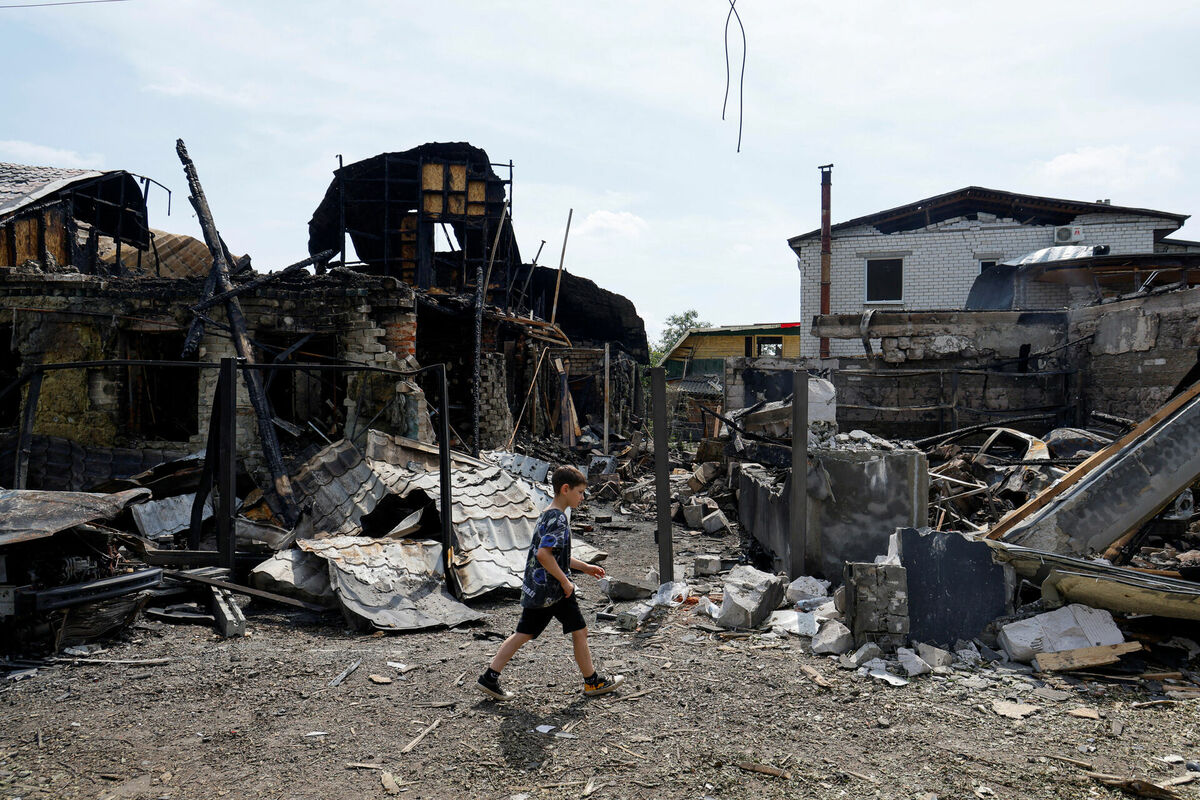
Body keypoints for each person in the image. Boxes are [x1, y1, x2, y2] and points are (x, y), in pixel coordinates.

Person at [477, 465, 624, 700]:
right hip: (553, 591)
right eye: (580, 492)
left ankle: (489, 677)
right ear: (565, 489)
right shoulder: (558, 518)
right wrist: (566, 582)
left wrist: (585, 567)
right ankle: (592, 682)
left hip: (540, 588)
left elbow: (555, 555)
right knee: (575, 630)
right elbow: (544, 555)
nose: (583, 498)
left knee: (528, 633)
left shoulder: (549, 513)